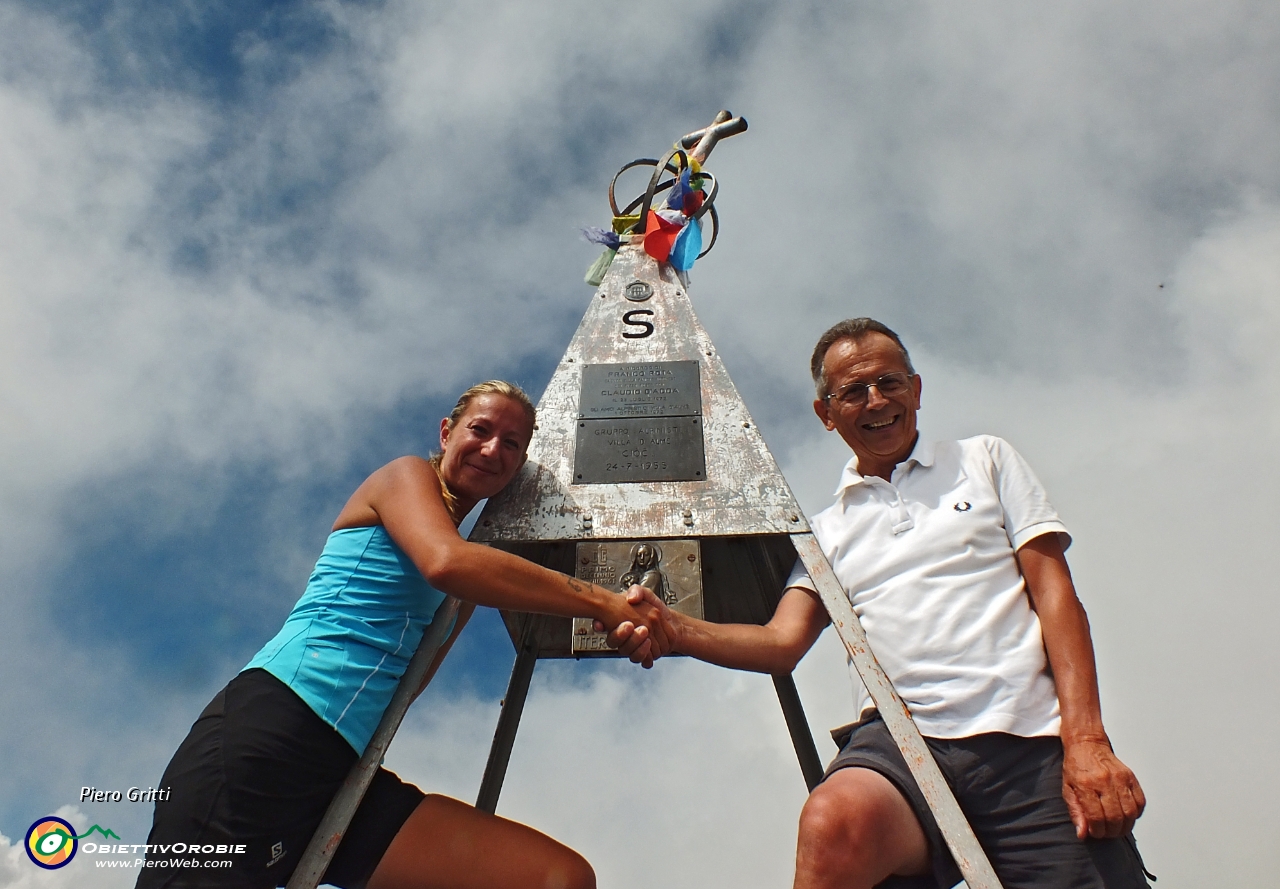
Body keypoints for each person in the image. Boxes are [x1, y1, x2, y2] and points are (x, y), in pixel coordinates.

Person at [618, 319, 1151, 889]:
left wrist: (1087, 740)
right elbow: (780, 644)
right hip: (901, 746)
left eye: (889, 382)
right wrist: (672, 627)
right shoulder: (824, 531)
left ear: (916, 390)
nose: (876, 400)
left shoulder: (985, 460)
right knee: (833, 821)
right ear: (826, 413)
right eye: (853, 391)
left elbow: (1055, 594)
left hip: (1026, 744)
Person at [137, 380, 668, 889]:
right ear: (446, 432)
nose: (491, 450)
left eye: (512, 444)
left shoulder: (468, 584)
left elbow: (412, 682)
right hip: (268, 736)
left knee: (557, 878)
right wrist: (602, 600)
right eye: (480, 431)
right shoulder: (403, 479)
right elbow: (444, 561)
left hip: (344, 771)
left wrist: (626, 626)